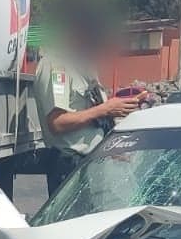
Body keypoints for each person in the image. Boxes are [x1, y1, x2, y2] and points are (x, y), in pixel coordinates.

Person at [33, 21, 143, 194]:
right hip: (70, 167)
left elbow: (95, 119)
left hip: (96, 163)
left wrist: (113, 147)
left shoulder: (86, 67)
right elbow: (57, 123)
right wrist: (105, 109)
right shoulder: (56, 66)